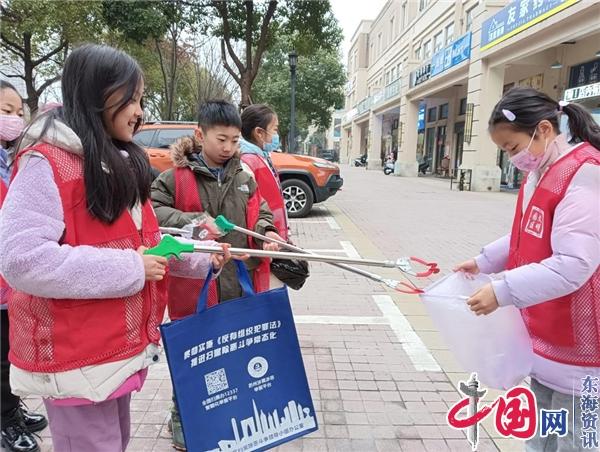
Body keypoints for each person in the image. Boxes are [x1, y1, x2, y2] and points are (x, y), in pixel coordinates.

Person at [0, 45, 230, 452]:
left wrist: (196, 256)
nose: (139, 110)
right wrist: (132, 269)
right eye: (131, 98)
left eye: (141, 99)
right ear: (95, 95)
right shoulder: (46, 162)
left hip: (111, 347)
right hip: (74, 352)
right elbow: (22, 260)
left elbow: (149, 246)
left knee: (114, 442)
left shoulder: (116, 160)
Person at [454, 86, 600, 451]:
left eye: (513, 148)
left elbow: (573, 264)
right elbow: (528, 232)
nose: (512, 158)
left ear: (545, 130)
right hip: (548, 336)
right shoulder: (545, 170)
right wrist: (486, 261)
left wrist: (502, 290)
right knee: (542, 438)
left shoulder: (584, 174)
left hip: (584, 347)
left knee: (580, 440)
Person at [150, 99, 283, 450]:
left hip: (240, 283)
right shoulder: (174, 177)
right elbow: (153, 212)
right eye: (221, 139)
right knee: (192, 353)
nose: (228, 148)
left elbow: (261, 212)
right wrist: (192, 222)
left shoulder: (244, 176)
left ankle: (227, 414)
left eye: (235, 140)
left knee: (233, 355)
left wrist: (267, 232)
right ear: (200, 134)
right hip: (195, 287)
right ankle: (181, 414)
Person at [0, 81, 48, 452]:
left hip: (9, 284)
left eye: (19, 113)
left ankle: (12, 411)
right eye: (6, 111)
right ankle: (5, 423)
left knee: (8, 357)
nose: (15, 120)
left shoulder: (12, 158)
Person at [239, 104, 288, 241]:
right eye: (275, 129)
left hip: (272, 233)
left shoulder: (262, 156)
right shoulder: (248, 161)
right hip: (264, 237)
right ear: (259, 133)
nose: (276, 135)